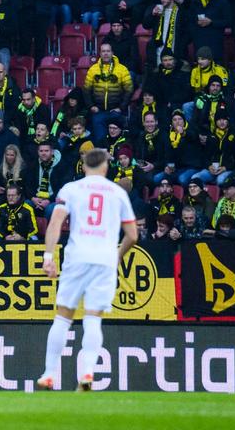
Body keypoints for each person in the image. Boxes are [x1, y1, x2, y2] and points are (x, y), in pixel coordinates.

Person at [35, 149, 138, 392]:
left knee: (62, 317)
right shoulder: (117, 192)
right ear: (105, 167)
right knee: (93, 319)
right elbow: (133, 235)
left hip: (77, 258)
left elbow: (56, 223)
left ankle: (49, 374)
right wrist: (117, 256)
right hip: (103, 260)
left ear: (83, 166)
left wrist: (48, 256)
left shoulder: (71, 189)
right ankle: (88, 373)